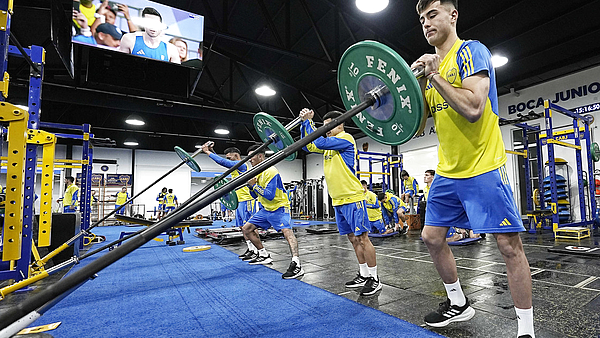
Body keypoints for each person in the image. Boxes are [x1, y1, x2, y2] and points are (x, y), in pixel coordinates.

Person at [414, 1, 534, 336]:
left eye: (432, 15)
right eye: (422, 19)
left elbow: (473, 108)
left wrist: (435, 75)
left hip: (484, 165)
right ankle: (459, 304)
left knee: (509, 247)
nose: (426, 23)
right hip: (448, 171)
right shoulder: (429, 75)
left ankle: (526, 330)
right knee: (431, 237)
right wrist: (403, 91)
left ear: (452, 15)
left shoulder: (471, 52)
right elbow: (415, 126)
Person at [300, 108, 381, 296]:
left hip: (353, 197)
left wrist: (308, 122)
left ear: (340, 123)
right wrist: (305, 124)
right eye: (324, 126)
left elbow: (318, 140)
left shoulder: (346, 139)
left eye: (328, 126)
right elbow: (308, 145)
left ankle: (374, 279)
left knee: (363, 238)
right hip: (338, 200)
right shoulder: (329, 146)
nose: (326, 129)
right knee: (352, 239)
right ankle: (363, 274)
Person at [242, 144, 304, 279]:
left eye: (252, 156)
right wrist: (251, 188)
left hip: (279, 207)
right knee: (246, 229)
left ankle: (297, 264)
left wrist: (254, 185)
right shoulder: (256, 172)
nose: (250, 160)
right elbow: (254, 196)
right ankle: (263, 254)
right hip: (265, 209)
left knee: (287, 233)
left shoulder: (271, 171)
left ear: (260, 156)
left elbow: (269, 195)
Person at [201, 143, 261, 260]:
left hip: (247, 199)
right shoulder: (236, 166)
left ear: (236, 156)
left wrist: (207, 152)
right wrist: (212, 150)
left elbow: (223, 162)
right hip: (239, 200)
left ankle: (259, 251)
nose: (228, 160)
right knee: (242, 227)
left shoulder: (242, 165)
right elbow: (225, 162)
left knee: (250, 227)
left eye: (230, 157)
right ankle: (251, 249)